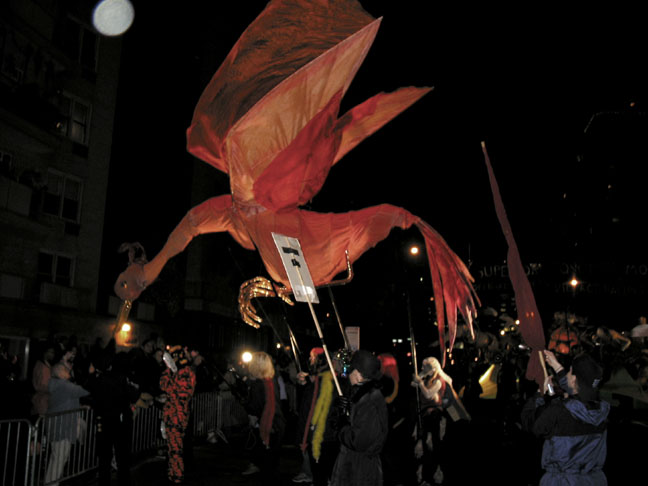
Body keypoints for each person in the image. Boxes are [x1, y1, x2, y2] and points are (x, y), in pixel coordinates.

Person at [522, 350, 610, 485]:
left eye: (569, 371)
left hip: (562, 481)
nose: (567, 374)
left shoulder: (558, 411)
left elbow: (529, 422)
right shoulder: (602, 412)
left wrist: (540, 394)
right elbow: (578, 389)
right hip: (593, 481)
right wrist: (557, 367)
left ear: (574, 379)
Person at [329, 349, 388, 486]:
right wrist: (341, 410)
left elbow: (359, 441)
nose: (348, 373)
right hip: (352, 463)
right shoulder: (359, 394)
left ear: (357, 374)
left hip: (360, 470)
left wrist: (342, 427)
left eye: (351, 370)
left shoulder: (370, 401)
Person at [87, 348, 141, 486]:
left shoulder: (99, 379)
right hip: (120, 421)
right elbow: (134, 395)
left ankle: (104, 481)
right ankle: (123, 481)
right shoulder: (122, 378)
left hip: (104, 421)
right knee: (122, 456)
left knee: (104, 457)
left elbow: (91, 394)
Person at [242, 351, 286, 484]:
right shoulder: (272, 380)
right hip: (277, 422)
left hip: (268, 424)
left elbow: (255, 406)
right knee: (273, 463)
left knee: (267, 465)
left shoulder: (258, 384)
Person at [45, 362, 91, 486]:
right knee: (59, 459)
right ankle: (52, 484)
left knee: (57, 458)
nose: (68, 372)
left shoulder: (56, 385)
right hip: (63, 428)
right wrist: (90, 374)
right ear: (60, 373)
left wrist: (80, 407)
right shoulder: (64, 385)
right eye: (65, 370)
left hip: (58, 426)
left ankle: (49, 483)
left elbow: (65, 403)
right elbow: (84, 390)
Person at [160, 345, 197, 484]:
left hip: (176, 414)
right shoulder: (186, 372)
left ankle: (176, 475)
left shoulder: (184, 373)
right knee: (174, 446)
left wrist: (168, 370)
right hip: (178, 414)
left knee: (175, 447)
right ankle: (174, 472)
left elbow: (165, 386)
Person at [31, 343, 56, 416]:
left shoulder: (47, 366)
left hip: (45, 400)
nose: (53, 354)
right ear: (45, 352)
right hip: (42, 401)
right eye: (51, 352)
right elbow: (40, 385)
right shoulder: (41, 366)